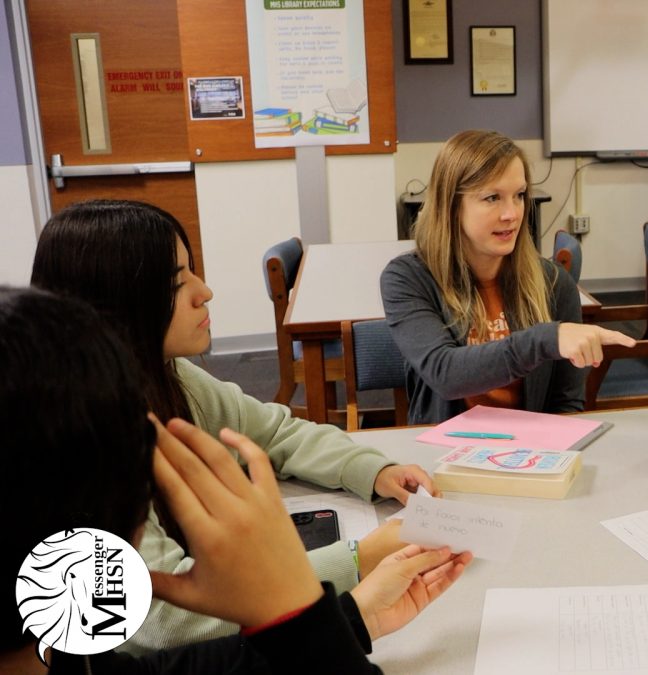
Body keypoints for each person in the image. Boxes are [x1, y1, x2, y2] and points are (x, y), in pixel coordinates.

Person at [30, 199, 435, 652]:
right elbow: (159, 618)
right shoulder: (87, 440)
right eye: (175, 284)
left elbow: (275, 432)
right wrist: (358, 560)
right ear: (116, 304)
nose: (204, 292)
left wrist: (374, 470)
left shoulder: (170, 376)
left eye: (192, 272)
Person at [2, 287, 471, 674]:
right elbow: (164, 630)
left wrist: (355, 617)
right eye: (177, 279)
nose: (205, 291)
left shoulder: (60, 649)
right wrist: (303, 599)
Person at [381, 129, 634, 425]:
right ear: (451, 206)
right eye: (492, 198)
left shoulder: (554, 284)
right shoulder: (408, 278)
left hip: (530, 455)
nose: (512, 214)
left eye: (519, 196)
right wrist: (545, 340)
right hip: (444, 451)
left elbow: (566, 404)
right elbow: (445, 374)